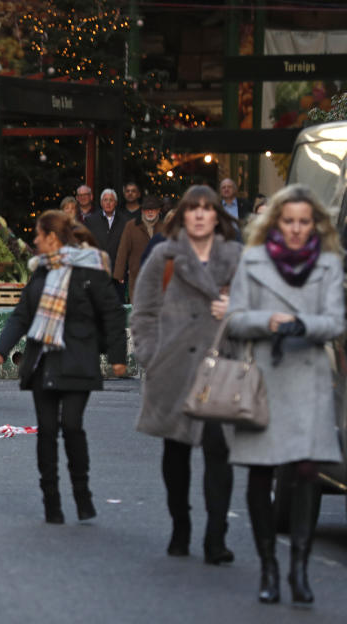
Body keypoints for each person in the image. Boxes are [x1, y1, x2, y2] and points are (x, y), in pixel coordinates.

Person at [226, 184, 344, 606]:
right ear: (276, 222)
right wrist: (269, 321)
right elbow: (235, 321)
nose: (296, 229)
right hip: (265, 382)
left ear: (315, 225)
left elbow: (335, 322)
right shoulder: (253, 262)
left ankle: (299, 567)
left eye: (304, 222)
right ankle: (268, 568)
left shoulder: (328, 265)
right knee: (262, 474)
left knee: (307, 473)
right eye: (289, 221)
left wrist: (301, 325)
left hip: (309, 381)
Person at [129, 184, 242, 564]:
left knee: (219, 451)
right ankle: (181, 526)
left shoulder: (237, 258)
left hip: (220, 367)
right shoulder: (165, 255)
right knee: (175, 452)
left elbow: (259, 309)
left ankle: (216, 537)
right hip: (173, 368)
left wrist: (236, 311)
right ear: (182, 214)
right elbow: (142, 313)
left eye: (206, 208)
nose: (198, 214)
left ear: (216, 216)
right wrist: (151, 356)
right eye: (191, 208)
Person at [0, 210, 127, 524]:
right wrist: (2, 348)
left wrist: (118, 356)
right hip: (43, 361)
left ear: (52, 237)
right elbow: (22, 315)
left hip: (78, 359)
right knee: (47, 431)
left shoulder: (89, 270)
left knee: (73, 426)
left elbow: (112, 313)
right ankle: (51, 500)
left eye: (39, 235)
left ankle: (82, 494)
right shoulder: (40, 272)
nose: (35, 241)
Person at [113, 196, 163, 301]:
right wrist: (119, 273)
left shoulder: (165, 227)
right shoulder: (131, 226)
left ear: (158, 210)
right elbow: (123, 249)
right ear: (142, 211)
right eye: (147, 209)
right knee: (138, 307)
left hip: (159, 276)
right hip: (137, 275)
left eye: (153, 209)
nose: (150, 212)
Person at [84, 188, 130, 300]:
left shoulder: (126, 221)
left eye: (111, 200)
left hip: (118, 275)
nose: (108, 203)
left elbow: (128, 248)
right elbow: (86, 246)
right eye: (105, 200)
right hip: (97, 272)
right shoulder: (91, 221)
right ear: (101, 202)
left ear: (116, 202)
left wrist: (123, 271)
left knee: (117, 307)